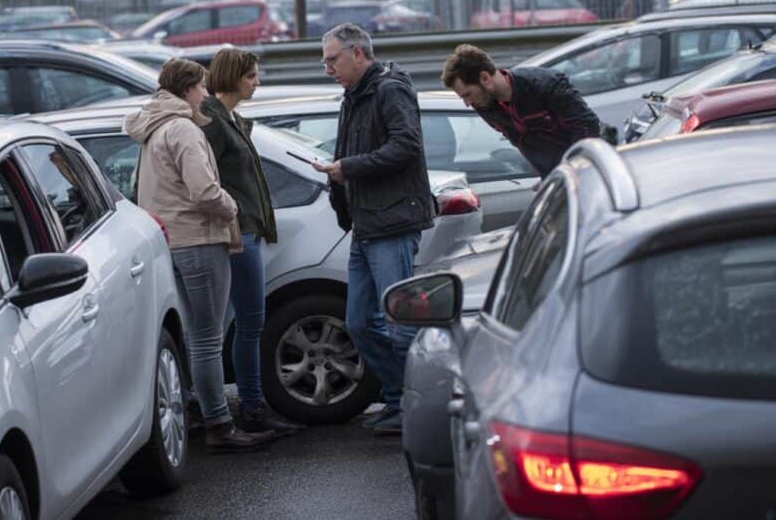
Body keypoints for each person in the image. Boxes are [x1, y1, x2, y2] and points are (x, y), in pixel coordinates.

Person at [124, 58, 272, 453]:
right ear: (188, 89)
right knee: (207, 339)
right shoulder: (183, 130)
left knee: (193, 335)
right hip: (200, 239)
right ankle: (219, 424)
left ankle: (202, 413)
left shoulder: (153, 129)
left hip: (172, 241)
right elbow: (204, 191)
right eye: (202, 87)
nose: (206, 95)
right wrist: (232, 209)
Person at [311, 23, 436, 436]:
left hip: (393, 222)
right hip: (366, 223)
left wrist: (348, 169)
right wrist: (340, 182)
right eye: (325, 59)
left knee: (400, 321)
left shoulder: (389, 89)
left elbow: (407, 145)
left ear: (358, 54)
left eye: (333, 58)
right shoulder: (354, 95)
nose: (327, 67)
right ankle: (400, 395)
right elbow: (348, 151)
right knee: (360, 322)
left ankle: (412, 403)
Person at [201, 47, 301, 437]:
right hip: (236, 233)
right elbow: (206, 179)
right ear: (232, 77)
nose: (257, 83)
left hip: (245, 230)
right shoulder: (212, 120)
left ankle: (252, 403)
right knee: (249, 322)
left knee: (247, 322)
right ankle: (253, 407)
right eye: (251, 77)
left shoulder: (229, 118)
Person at [441, 44, 601, 178]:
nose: (467, 103)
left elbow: (587, 127)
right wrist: (549, 179)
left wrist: (573, 171)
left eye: (467, 94)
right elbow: (521, 142)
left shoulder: (545, 85)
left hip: (589, 172)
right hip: (556, 177)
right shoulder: (484, 105)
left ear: (485, 79)